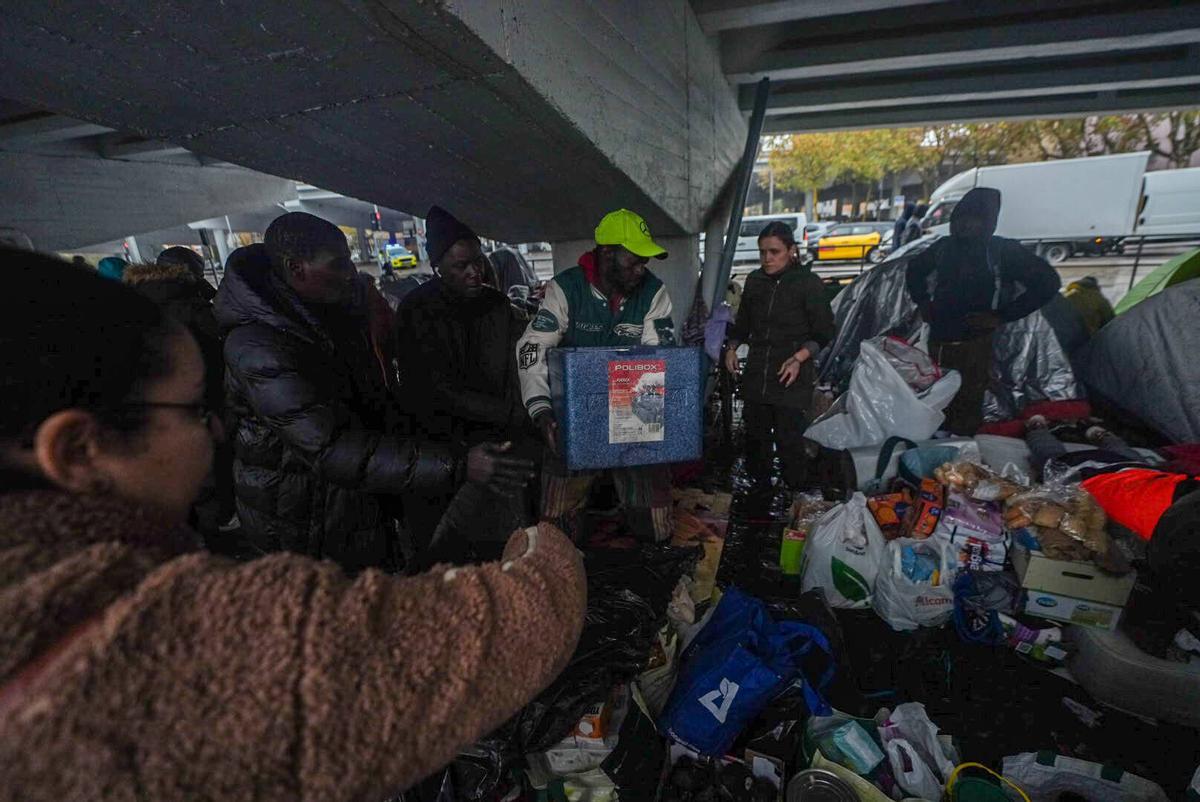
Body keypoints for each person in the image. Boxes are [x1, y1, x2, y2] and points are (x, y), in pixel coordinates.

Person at [0, 246, 586, 801]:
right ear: (79, 451)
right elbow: (518, 620)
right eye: (196, 411)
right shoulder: (185, 642)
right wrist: (544, 538)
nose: (220, 431)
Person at [214, 212, 532, 573]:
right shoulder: (260, 347)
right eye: (338, 264)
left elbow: (376, 404)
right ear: (296, 268)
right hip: (301, 519)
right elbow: (330, 447)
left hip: (358, 500)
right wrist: (457, 463)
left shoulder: (331, 316)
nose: (351, 272)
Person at [516, 208, 676, 543]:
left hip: (635, 416)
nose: (641, 268)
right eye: (634, 259)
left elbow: (661, 358)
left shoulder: (653, 292)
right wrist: (542, 411)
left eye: (645, 261)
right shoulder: (565, 289)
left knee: (657, 524)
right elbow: (532, 348)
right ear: (606, 252)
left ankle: (654, 570)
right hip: (575, 418)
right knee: (556, 527)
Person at [394, 206, 534, 555]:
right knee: (446, 550)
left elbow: (519, 366)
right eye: (461, 266)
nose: (475, 272)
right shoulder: (416, 310)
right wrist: (511, 414)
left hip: (498, 445)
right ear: (437, 267)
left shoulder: (497, 305)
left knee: (504, 550)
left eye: (478, 261)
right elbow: (433, 390)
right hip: (444, 452)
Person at [906, 188, 1060, 435]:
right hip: (939, 340)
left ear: (988, 223)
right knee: (936, 397)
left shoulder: (1002, 251)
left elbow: (1048, 283)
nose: (963, 225)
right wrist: (923, 302)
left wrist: (1002, 316)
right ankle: (934, 438)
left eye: (972, 219)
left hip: (976, 342)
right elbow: (914, 270)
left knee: (968, 400)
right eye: (958, 219)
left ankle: (960, 448)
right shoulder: (943, 247)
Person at [724, 221, 835, 489]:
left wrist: (799, 358)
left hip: (790, 372)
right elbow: (743, 324)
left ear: (791, 250)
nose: (767, 258)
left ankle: (795, 496)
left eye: (774, 252)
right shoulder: (754, 281)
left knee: (789, 440)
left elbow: (825, 332)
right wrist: (731, 347)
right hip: (758, 372)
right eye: (763, 252)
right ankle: (759, 496)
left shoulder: (807, 284)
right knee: (755, 439)